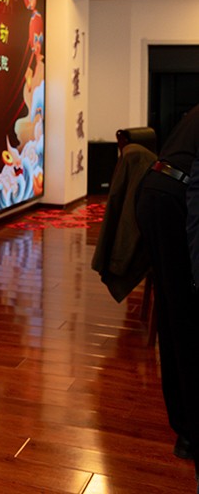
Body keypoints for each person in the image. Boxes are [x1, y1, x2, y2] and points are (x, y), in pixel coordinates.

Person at [134, 104, 199, 491]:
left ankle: (186, 431)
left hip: (159, 194)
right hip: (177, 201)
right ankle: (190, 432)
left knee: (177, 321)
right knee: (186, 321)